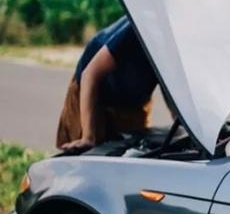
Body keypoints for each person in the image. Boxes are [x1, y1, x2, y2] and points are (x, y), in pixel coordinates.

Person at [56, 16, 158, 151]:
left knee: (135, 154)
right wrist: (88, 137)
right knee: (88, 153)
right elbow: (90, 75)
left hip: (132, 104)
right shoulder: (138, 29)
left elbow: (173, 92)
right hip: (93, 93)